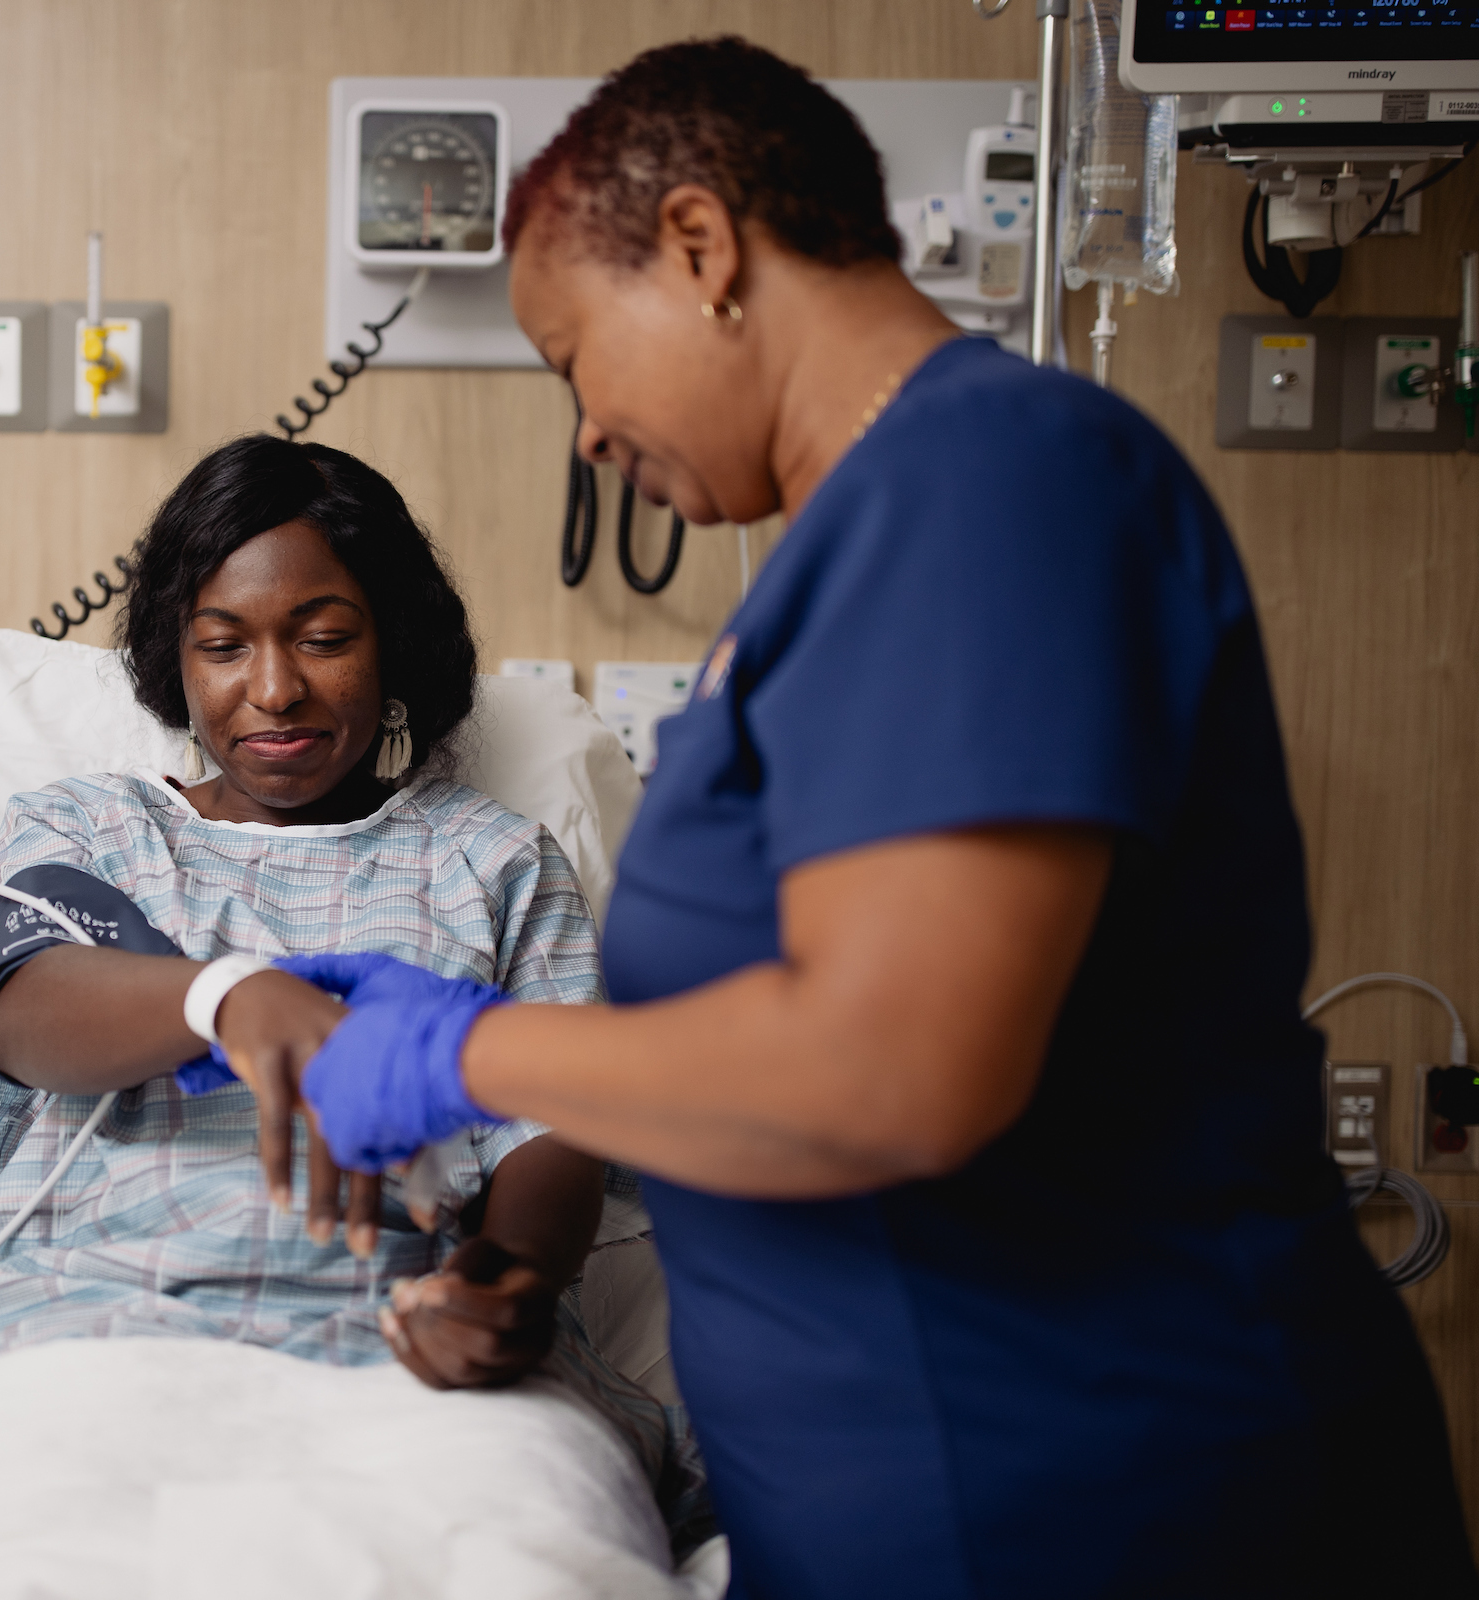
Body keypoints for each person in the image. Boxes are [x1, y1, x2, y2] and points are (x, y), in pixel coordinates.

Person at [244, 37, 1476, 1600]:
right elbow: (770, 1030)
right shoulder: (845, 560)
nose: (590, 438)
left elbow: (891, 1074)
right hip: (902, 1508)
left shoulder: (993, 482)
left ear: (699, 247)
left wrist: (456, 1053)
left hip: (1115, 1503)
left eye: (572, 363)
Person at [0, 435, 693, 1534]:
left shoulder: (488, 858)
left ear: (391, 643)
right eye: (223, 646)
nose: (274, 689)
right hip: (93, 1309)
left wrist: (506, 1284)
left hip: (394, 1330)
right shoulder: (92, 827)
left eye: (326, 638)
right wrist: (227, 996)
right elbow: (23, 1006)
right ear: (178, 658)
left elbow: (553, 1126)